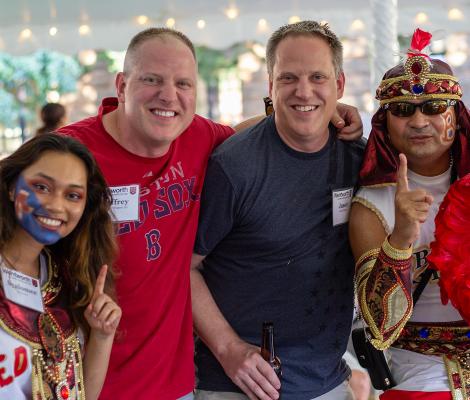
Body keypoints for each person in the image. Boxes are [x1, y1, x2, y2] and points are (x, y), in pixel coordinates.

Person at [58, 27, 364, 400]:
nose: (168, 95)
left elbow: (272, 133)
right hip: (88, 379)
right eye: (151, 80)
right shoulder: (69, 155)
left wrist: (326, 109)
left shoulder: (199, 138)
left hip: (176, 382)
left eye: (182, 84)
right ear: (122, 85)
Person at [190, 20, 365, 400]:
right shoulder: (235, 166)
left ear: (340, 85)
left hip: (329, 381)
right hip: (237, 385)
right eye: (289, 78)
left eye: (318, 77)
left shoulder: (359, 157)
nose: (304, 91)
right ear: (270, 86)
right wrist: (227, 348)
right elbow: (184, 266)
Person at [350, 28, 470, 400]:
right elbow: (381, 328)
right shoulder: (371, 204)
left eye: (434, 108)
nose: (419, 122)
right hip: (417, 366)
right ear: (385, 123)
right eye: (402, 110)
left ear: (456, 115)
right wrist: (400, 238)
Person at [0, 133, 121, 399]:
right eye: (42, 187)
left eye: (73, 195)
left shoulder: (66, 275)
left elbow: (83, 394)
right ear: (11, 187)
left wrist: (102, 336)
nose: (56, 206)